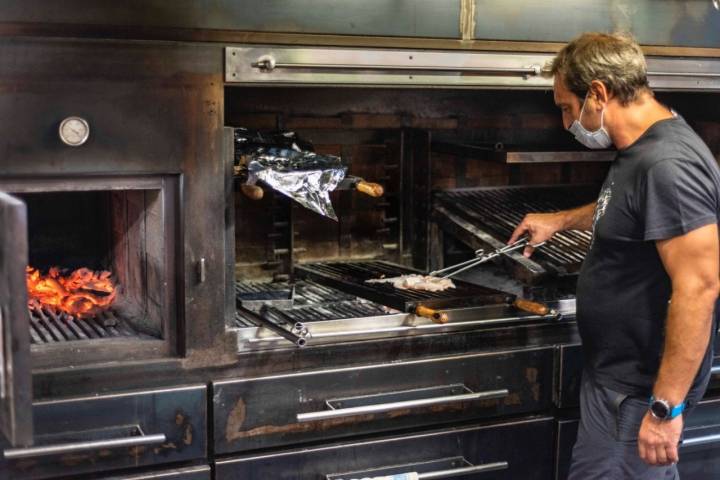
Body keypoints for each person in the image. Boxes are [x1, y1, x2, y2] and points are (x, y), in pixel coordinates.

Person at [509, 32, 720, 479]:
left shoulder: (668, 165)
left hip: (636, 397)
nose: (568, 122)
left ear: (599, 93)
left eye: (567, 107)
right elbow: (631, 206)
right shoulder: (646, 149)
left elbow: (699, 287)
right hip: (616, 383)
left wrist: (664, 410)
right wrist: (561, 220)